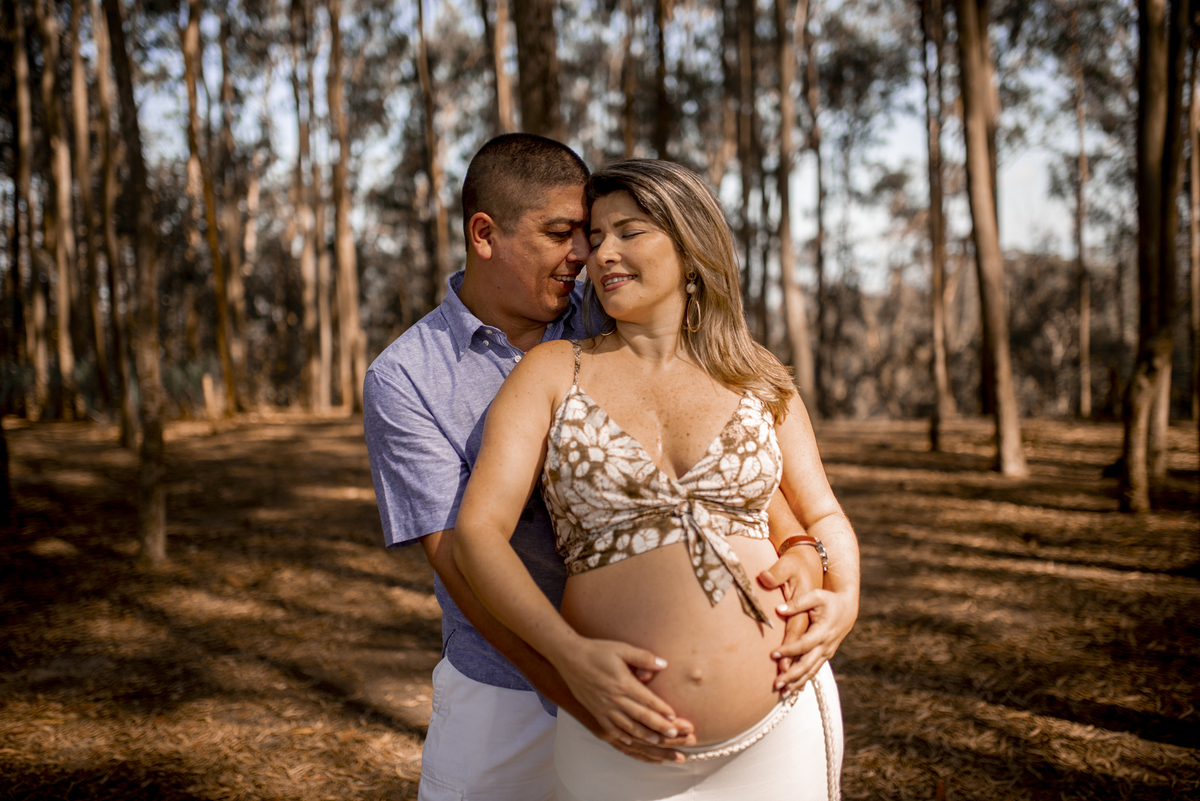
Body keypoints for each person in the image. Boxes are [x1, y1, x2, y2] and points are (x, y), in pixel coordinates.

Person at [364, 137, 857, 801]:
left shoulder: (609, 309)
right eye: (567, 234)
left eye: (596, 235)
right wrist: (573, 681)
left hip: (748, 721)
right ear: (484, 234)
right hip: (509, 684)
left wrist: (803, 548)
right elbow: (459, 552)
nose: (587, 256)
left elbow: (729, 477)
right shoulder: (408, 377)